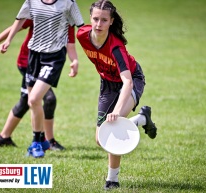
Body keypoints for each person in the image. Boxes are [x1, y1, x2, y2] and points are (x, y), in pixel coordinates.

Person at [76, 0, 158, 190]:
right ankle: (142, 119)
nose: (99, 24)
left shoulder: (115, 47)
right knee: (100, 139)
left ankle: (112, 180)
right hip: (108, 84)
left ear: (111, 21)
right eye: (95, 19)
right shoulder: (82, 35)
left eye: (104, 20)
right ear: (90, 18)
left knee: (113, 128)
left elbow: (128, 81)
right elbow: (66, 34)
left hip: (131, 80)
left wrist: (117, 111)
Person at [0, 0, 84, 158]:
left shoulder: (68, 3)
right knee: (33, 102)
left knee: (33, 99)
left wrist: (75, 60)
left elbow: (81, 28)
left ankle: (36, 142)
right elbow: (20, 21)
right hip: (33, 56)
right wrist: (8, 40)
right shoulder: (31, 1)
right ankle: (40, 141)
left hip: (54, 57)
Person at [0, 19, 79, 151]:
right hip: (27, 62)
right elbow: (14, 27)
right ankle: (49, 141)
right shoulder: (39, 10)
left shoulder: (67, 18)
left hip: (46, 63)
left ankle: (3, 137)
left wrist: (74, 60)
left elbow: (70, 45)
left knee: (25, 100)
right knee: (48, 99)